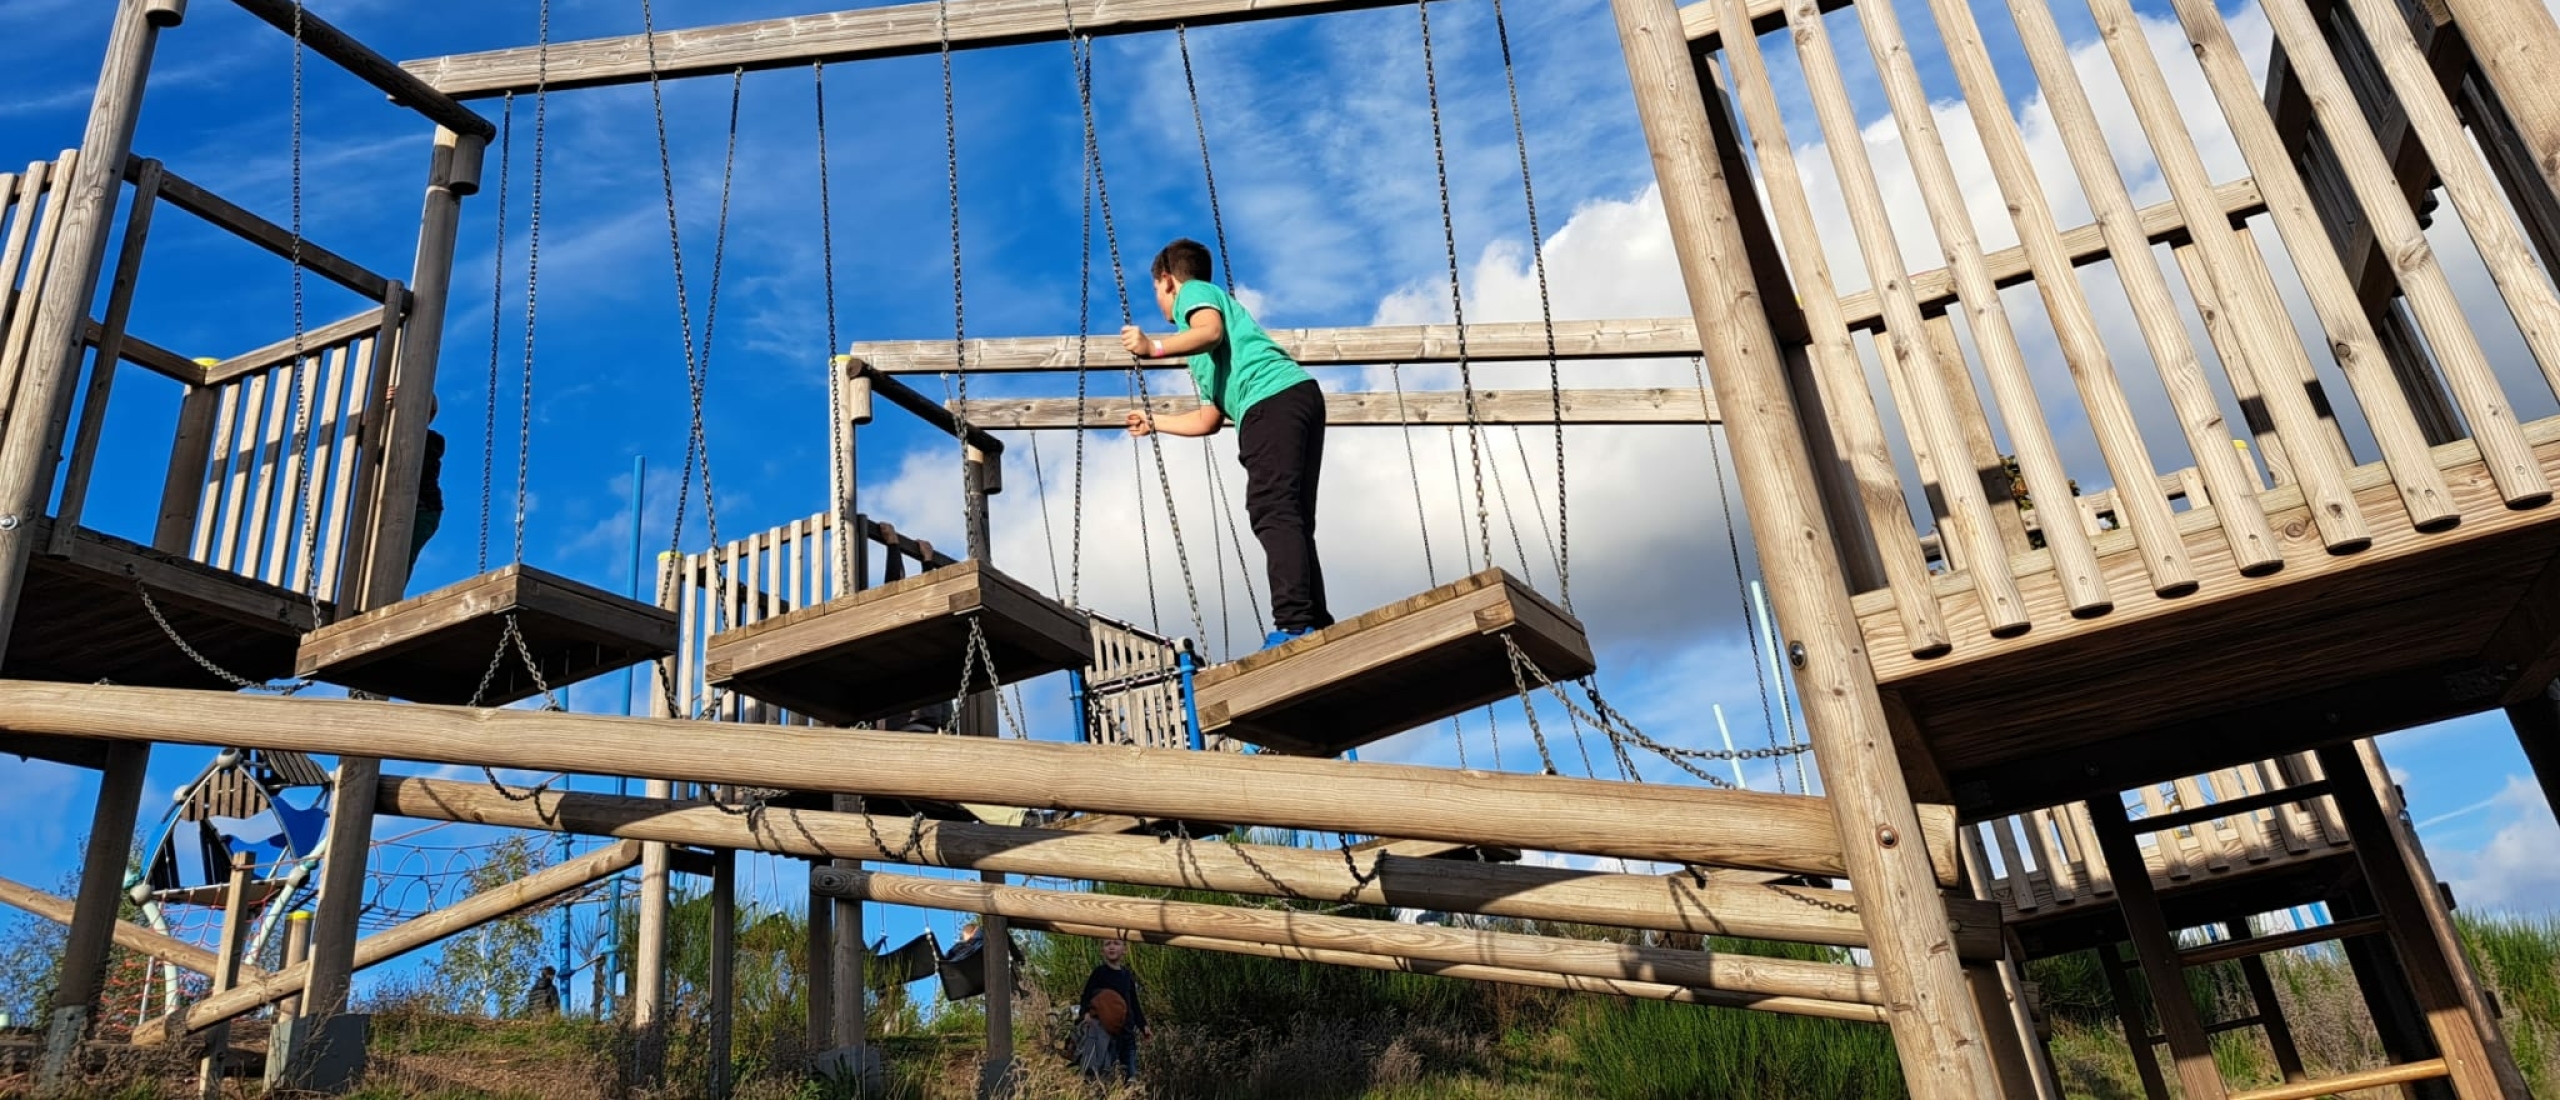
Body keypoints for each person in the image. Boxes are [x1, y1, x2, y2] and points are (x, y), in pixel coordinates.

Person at [1121, 239, 1332, 648]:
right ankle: (1314, 619)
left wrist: (1153, 347)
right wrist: (1154, 422)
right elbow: (1209, 419)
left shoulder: (1195, 293)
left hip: (1269, 401)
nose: (1161, 304)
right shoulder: (1200, 355)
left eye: (1155, 292)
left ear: (1167, 281)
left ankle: (1293, 624)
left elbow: (1210, 331)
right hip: (1295, 396)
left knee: (1271, 508)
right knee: (1291, 514)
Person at [1075, 936, 1148, 1082]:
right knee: (1105, 1072)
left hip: (1127, 1031)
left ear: (1124, 950)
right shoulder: (1099, 972)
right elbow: (1087, 995)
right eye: (1107, 944)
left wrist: (1143, 1025)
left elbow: (1134, 1003)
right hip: (1105, 1032)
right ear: (1102, 950)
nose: (1112, 947)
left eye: (1116, 943)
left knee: (1131, 1074)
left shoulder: (1127, 976)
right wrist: (1085, 1014)